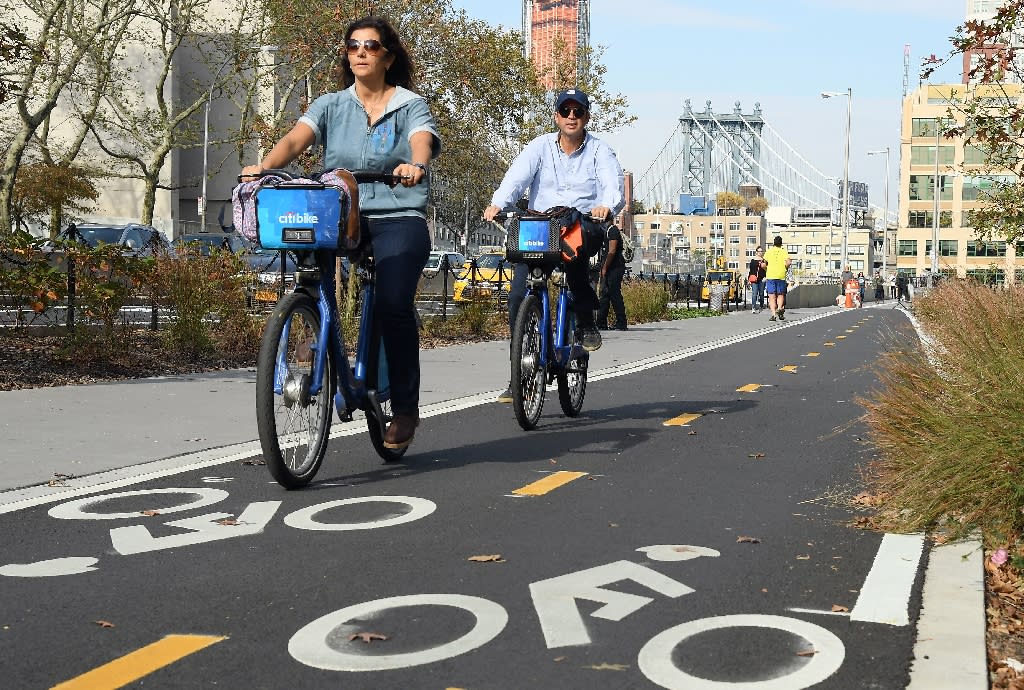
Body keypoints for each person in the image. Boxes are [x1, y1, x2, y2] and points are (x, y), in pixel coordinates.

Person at [241, 16, 440, 450]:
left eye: (370, 46)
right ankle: (312, 329)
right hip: (339, 211)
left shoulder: (410, 105)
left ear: (387, 56)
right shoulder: (331, 104)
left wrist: (415, 165)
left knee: (392, 303)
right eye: (353, 46)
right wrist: (267, 167)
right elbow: (297, 139)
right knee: (309, 268)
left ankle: (405, 408)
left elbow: (422, 139)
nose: (361, 53)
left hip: (397, 215)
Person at [484, 88, 624, 403]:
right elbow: (515, 179)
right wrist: (498, 203)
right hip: (541, 227)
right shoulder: (539, 147)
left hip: (582, 224)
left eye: (578, 112)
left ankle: (586, 320)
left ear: (586, 116)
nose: (571, 117)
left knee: (573, 254)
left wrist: (606, 206)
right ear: (556, 116)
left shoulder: (600, 151)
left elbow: (613, 186)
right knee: (519, 293)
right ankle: (518, 375)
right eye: (565, 111)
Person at [596, 224, 628, 331]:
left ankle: (621, 322)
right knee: (604, 295)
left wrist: (605, 267)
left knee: (614, 294)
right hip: (609, 267)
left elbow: (612, 250)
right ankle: (601, 323)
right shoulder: (605, 230)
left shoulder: (613, 230)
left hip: (615, 267)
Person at [763, 235, 792, 321]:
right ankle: (779, 308)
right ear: (781, 244)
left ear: (773, 243)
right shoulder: (784, 252)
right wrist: (785, 268)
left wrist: (767, 269)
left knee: (771, 296)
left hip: (770, 275)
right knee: (780, 294)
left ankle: (773, 315)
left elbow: (764, 264)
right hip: (781, 275)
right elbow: (788, 262)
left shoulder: (769, 251)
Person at [747, 246, 767, 313]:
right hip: (754, 279)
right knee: (754, 294)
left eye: (761, 251)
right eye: (759, 251)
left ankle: (761, 306)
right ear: (756, 252)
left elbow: (767, 270)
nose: (760, 253)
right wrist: (749, 280)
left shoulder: (764, 260)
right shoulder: (753, 261)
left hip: (762, 279)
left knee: (761, 294)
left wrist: (766, 277)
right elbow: (751, 271)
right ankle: (753, 307)